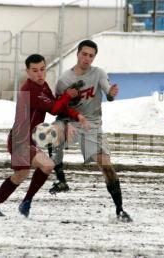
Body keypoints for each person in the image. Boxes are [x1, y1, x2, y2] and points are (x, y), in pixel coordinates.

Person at [0, 54, 88, 217]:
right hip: (20, 139)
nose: (40, 74)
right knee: (46, 165)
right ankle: (26, 202)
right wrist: (68, 95)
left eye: (42, 69)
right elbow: (54, 109)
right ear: (28, 72)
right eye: (35, 70)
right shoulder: (29, 89)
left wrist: (77, 115)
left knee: (20, 175)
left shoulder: (43, 86)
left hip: (27, 139)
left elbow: (56, 105)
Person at [48, 39, 132, 222]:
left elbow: (108, 92)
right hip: (71, 122)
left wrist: (110, 94)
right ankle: (61, 180)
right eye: (84, 54)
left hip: (92, 124)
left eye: (91, 56)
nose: (87, 58)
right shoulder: (64, 80)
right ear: (77, 54)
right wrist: (68, 122)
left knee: (107, 167)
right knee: (51, 133)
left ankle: (120, 210)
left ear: (94, 57)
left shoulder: (99, 73)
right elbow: (58, 109)